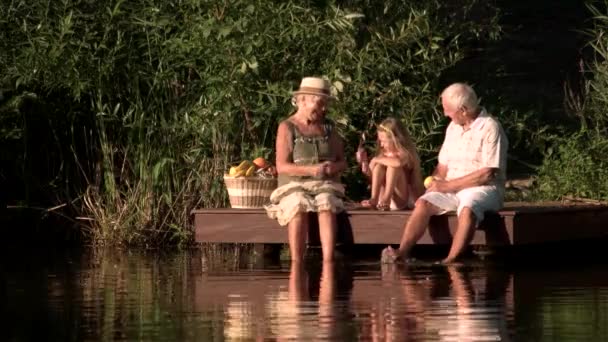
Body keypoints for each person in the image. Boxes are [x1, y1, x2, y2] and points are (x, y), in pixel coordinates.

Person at [382, 83, 508, 264]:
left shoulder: (490, 127)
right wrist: (435, 183)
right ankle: (402, 252)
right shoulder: (453, 128)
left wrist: (447, 185)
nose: (444, 114)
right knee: (424, 203)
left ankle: (451, 260)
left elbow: (488, 173)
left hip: (483, 187)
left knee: (468, 208)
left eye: (447, 110)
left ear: (463, 110)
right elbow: (442, 166)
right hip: (451, 185)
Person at [265, 77, 347, 262]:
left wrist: (333, 167)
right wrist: (311, 170)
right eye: (319, 103)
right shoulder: (287, 127)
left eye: (325, 104)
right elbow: (282, 166)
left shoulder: (328, 128)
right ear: (303, 100)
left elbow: (343, 162)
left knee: (326, 202)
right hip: (294, 184)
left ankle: (328, 262)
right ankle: (297, 263)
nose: (323, 109)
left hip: (324, 184)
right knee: (298, 203)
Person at [356, 117, 425, 210]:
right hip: (382, 200)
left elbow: (397, 163)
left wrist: (376, 159)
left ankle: (386, 199)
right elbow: (372, 175)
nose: (381, 145)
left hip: (401, 199)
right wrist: (364, 164)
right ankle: (374, 199)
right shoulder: (383, 154)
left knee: (393, 167)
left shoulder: (405, 153)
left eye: (383, 141)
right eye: (380, 141)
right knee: (379, 167)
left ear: (396, 139)